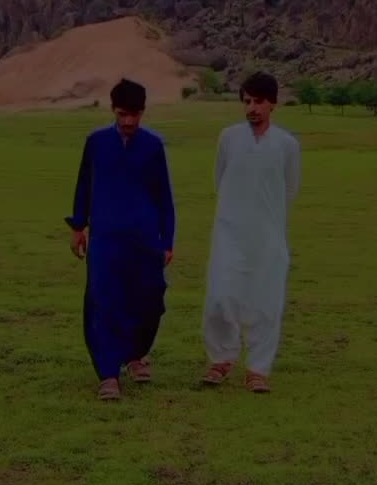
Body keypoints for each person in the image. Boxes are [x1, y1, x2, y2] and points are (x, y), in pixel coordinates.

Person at [65, 78, 175, 400]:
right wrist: (78, 227)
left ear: (143, 112)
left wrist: (167, 240)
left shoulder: (153, 146)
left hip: (145, 238)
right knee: (104, 301)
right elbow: (84, 185)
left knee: (150, 299)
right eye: (122, 114)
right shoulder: (96, 142)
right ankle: (108, 374)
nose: (128, 121)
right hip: (106, 238)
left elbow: (164, 197)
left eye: (135, 114)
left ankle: (135, 355)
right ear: (113, 109)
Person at [202, 72, 301, 393]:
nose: (252, 108)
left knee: (266, 301)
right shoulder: (229, 138)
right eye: (247, 101)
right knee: (220, 296)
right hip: (229, 232)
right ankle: (221, 358)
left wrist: (267, 219)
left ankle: (258, 369)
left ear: (273, 104)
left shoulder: (286, 144)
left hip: (268, 236)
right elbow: (220, 180)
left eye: (259, 101)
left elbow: (289, 189)